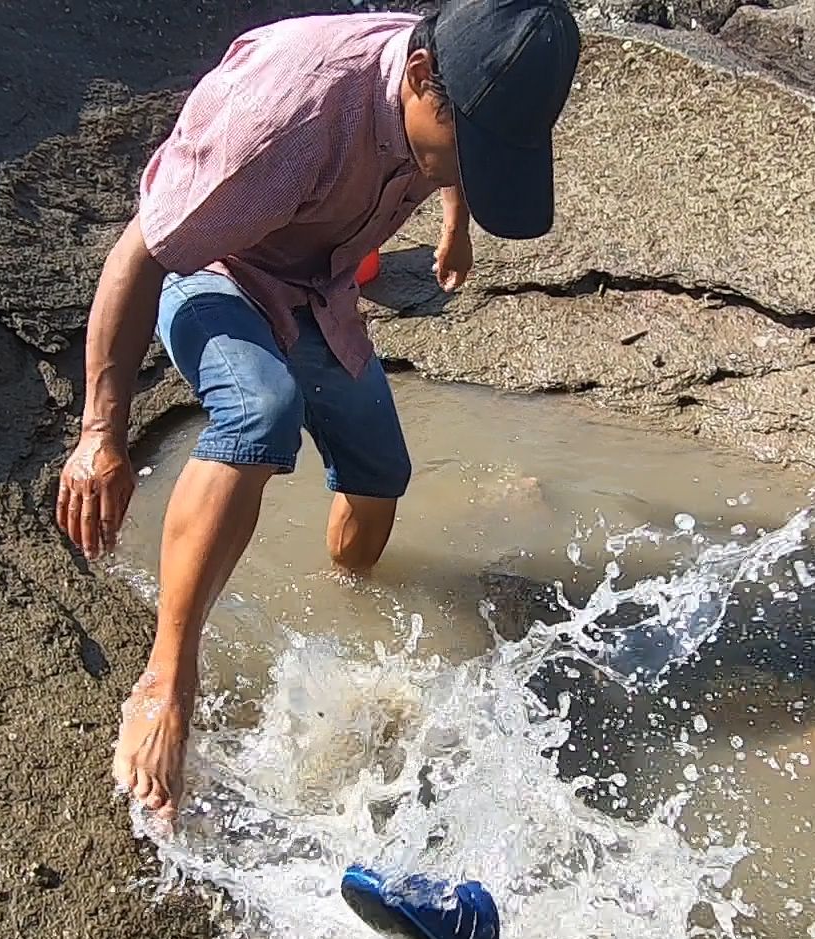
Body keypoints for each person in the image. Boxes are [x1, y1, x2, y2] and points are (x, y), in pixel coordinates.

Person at [54, 0, 582, 820]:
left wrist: (455, 219)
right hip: (215, 268)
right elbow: (141, 254)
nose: (461, 171)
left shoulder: (457, 67)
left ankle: (347, 592)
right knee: (262, 413)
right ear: (418, 80)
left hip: (321, 284)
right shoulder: (289, 112)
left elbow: (468, 133)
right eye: (463, 156)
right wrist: (101, 437)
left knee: (381, 471)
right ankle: (167, 678)